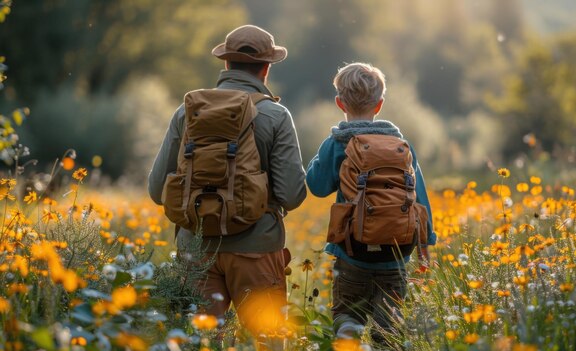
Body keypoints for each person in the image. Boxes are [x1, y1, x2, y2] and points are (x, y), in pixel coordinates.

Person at [148, 24, 307, 345]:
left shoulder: (186, 112)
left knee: (201, 341)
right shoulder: (276, 116)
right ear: (266, 68)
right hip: (257, 250)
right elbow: (291, 194)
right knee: (269, 341)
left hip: (197, 249)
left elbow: (156, 190)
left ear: (226, 65)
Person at [306, 63, 436, 345]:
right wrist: (426, 243)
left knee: (347, 310)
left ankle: (347, 333)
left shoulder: (337, 143)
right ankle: (383, 339)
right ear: (379, 105)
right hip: (396, 253)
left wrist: (320, 156)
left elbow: (316, 186)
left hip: (351, 252)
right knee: (389, 322)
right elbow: (420, 197)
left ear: (340, 103)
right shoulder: (401, 145)